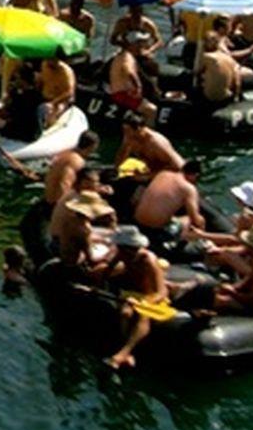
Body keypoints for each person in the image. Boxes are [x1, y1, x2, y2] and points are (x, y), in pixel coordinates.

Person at [97, 225, 175, 370]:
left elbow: (161, 291)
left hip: (150, 297)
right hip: (131, 293)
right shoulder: (122, 254)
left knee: (143, 315)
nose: (119, 251)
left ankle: (122, 354)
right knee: (125, 313)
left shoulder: (148, 260)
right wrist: (96, 287)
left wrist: (144, 302)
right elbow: (106, 272)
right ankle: (125, 348)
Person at [132, 158, 206, 236]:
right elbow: (195, 220)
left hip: (137, 220)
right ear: (195, 175)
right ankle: (199, 244)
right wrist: (201, 222)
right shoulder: (189, 188)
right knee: (189, 220)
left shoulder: (163, 173)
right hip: (155, 229)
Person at [106, 33, 158, 120]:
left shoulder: (121, 55)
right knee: (152, 110)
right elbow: (129, 71)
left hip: (120, 93)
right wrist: (138, 85)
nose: (142, 45)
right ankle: (145, 131)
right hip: (122, 94)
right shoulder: (127, 56)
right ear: (133, 44)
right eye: (140, 42)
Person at [115, 112, 184, 176]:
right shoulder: (130, 138)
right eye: (124, 130)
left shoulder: (157, 143)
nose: (125, 134)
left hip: (170, 176)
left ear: (139, 129)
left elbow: (179, 167)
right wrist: (125, 147)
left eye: (128, 131)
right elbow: (119, 166)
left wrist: (147, 176)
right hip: (150, 172)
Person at [44, 130, 103, 205]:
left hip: (48, 197)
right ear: (93, 146)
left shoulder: (65, 153)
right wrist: (65, 206)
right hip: (56, 202)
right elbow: (64, 183)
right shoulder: (77, 161)